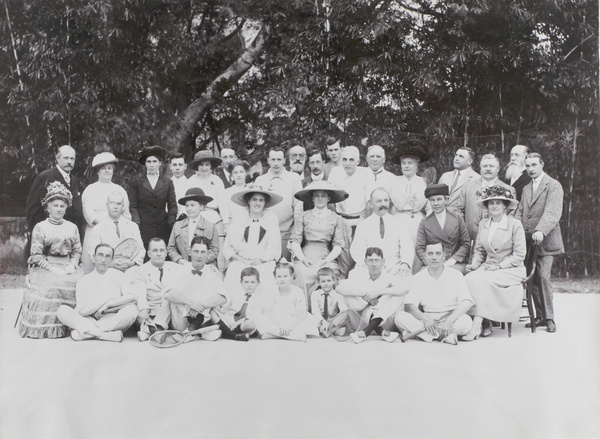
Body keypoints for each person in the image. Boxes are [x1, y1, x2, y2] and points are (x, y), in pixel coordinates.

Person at [18, 182, 83, 338]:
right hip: (45, 267)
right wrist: (52, 268)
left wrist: (72, 265)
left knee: (82, 284)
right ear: (48, 207)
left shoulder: (72, 227)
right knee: (53, 285)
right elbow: (36, 254)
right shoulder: (41, 227)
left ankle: (76, 325)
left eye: (62, 206)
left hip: (67, 264)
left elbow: (77, 250)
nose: (59, 209)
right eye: (55, 206)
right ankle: (49, 328)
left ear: (66, 208)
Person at [462, 186, 526, 340]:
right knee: (468, 279)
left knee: (483, 280)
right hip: (488, 266)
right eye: (491, 203)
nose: (495, 206)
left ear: (505, 206)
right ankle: (482, 321)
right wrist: (475, 265)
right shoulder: (484, 223)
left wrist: (499, 267)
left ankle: (477, 325)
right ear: (487, 206)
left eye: (498, 203)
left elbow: (519, 255)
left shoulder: (515, 224)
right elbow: (480, 251)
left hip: (511, 268)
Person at [515, 153, 564, 333]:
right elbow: (520, 211)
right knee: (533, 279)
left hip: (546, 240)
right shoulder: (527, 187)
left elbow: (553, 212)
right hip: (529, 240)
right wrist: (516, 230)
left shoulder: (553, 185)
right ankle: (540, 316)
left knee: (543, 277)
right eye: (527, 166)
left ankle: (550, 318)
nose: (531, 169)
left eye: (534, 165)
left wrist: (540, 231)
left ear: (542, 164)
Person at [56, 244, 140, 342]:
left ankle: (88, 333)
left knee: (132, 310)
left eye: (107, 256)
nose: (103, 260)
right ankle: (103, 334)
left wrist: (108, 304)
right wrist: (104, 301)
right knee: (62, 310)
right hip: (91, 321)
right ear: (93, 257)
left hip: (114, 322)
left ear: (112, 260)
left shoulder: (119, 275)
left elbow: (133, 297)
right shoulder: (84, 281)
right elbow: (82, 311)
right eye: (100, 255)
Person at [393, 243, 474, 345]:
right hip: (427, 320)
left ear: (444, 256)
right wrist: (425, 319)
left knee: (466, 322)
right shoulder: (418, 278)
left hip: (450, 318)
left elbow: (466, 302)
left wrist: (449, 321)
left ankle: (422, 335)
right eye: (430, 254)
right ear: (425, 257)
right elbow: (409, 305)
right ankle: (444, 337)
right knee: (399, 317)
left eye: (438, 253)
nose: (434, 257)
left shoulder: (456, 275)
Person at [289, 181, 349, 300]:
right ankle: (305, 310)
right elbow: (295, 241)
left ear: (329, 198)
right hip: (306, 257)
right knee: (303, 274)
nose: (320, 198)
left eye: (323, 195)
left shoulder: (337, 218)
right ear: (312, 198)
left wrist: (324, 261)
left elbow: (338, 245)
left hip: (326, 257)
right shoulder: (303, 216)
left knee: (331, 275)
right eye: (317, 195)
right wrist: (303, 259)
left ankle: (329, 311)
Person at [337, 247, 409, 343]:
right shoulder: (357, 275)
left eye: (377, 260)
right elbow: (339, 288)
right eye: (370, 260)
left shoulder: (388, 277)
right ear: (365, 262)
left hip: (384, 321)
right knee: (348, 293)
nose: (374, 264)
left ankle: (366, 332)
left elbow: (405, 289)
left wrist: (379, 292)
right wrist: (365, 296)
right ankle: (381, 332)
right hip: (361, 320)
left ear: (383, 261)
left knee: (397, 295)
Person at [163, 236, 226, 339]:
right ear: (189, 251)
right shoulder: (180, 270)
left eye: (203, 252)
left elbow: (223, 297)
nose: (199, 256)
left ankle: (194, 332)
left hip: (203, 316)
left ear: (208, 253)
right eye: (196, 251)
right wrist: (190, 303)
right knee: (173, 295)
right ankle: (197, 332)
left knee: (213, 300)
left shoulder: (212, 272)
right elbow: (167, 294)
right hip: (182, 320)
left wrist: (201, 306)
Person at [223, 184, 282, 293]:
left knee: (266, 279)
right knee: (235, 274)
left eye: (261, 200)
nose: (257, 203)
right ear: (248, 201)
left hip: (263, 262)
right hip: (240, 261)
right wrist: (244, 261)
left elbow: (275, 250)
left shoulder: (271, 221)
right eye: (254, 199)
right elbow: (227, 249)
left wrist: (261, 260)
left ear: (265, 203)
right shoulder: (238, 221)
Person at [81, 152, 132, 273]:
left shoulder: (119, 189)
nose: (107, 171)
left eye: (109, 168)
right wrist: (105, 226)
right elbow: (88, 212)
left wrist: (122, 227)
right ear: (97, 171)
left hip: (117, 231)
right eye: (103, 168)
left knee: (115, 266)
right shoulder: (90, 189)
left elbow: (126, 212)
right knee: (95, 264)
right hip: (96, 230)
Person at [128, 238, 182, 340]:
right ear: (149, 253)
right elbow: (140, 294)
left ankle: (151, 330)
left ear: (166, 253)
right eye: (155, 250)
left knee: (170, 294)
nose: (158, 254)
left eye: (161, 250)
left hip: (171, 315)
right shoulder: (140, 271)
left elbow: (191, 269)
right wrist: (143, 310)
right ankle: (154, 328)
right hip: (150, 314)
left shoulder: (175, 267)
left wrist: (209, 267)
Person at [351, 188, 414, 276]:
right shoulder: (363, 225)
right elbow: (357, 250)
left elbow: (407, 245)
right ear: (371, 204)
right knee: (354, 277)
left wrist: (405, 263)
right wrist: (370, 266)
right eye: (379, 201)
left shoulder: (398, 223)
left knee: (405, 281)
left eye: (386, 200)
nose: (383, 204)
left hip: (394, 267)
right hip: (369, 267)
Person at [25, 144, 84, 239]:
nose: (69, 162)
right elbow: (33, 209)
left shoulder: (75, 181)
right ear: (57, 158)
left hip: (70, 235)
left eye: (72, 159)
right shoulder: (45, 177)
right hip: (49, 235)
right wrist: (36, 234)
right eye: (66, 158)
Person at [255, 147, 303, 260]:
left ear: (284, 160)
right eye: (273, 159)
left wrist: (295, 234)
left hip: (287, 233)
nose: (276, 163)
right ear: (268, 160)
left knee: (285, 266)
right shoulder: (260, 180)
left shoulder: (294, 178)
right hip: (266, 233)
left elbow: (298, 207)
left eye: (279, 159)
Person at [457, 154, 516, 243]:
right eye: (485, 166)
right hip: (471, 240)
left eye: (491, 166)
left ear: (498, 169)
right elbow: (458, 210)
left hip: (498, 242)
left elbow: (512, 214)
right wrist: (464, 231)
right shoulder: (467, 187)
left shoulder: (508, 190)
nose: (488, 169)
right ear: (480, 168)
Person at [128, 146, 177, 249]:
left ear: (160, 163)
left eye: (154, 161)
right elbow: (133, 206)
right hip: (143, 228)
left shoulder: (167, 183)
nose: (151, 165)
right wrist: (137, 222)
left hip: (163, 228)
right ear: (145, 164)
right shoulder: (136, 183)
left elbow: (172, 205)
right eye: (148, 162)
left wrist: (170, 223)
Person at [415, 184, 470, 274]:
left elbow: (465, 244)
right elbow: (420, 247)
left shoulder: (457, 219)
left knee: (450, 274)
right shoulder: (424, 223)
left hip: (455, 263)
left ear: (446, 200)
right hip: (432, 263)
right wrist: (429, 262)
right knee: (423, 276)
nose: (436, 203)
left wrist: (453, 260)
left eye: (439, 199)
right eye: (432, 200)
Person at [258, 260, 319, 341]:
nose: (282, 279)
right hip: (276, 320)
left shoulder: (298, 291)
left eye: (285, 276)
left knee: (309, 320)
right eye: (279, 276)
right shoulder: (272, 291)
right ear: (275, 277)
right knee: (259, 318)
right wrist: (281, 326)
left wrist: (289, 327)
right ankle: (293, 336)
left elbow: (302, 314)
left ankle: (274, 334)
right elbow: (267, 313)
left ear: (291, 276)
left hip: (293, 319)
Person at [85, 191, 145, 272]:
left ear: (123, 206)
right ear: (107, 205)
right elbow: (93, 255)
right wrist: (112, 264)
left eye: (119, 204)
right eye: (112, 203)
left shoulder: (132, 226)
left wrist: (131, 263)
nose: (115, 207)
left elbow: (140, 249)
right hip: (107, 271)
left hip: (130, 270)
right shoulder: (98, 228)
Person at [390, 142, 431, 244]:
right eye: (403, 163)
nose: (406, 166)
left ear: (416, 165)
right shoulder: (394, 181)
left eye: (410, 163)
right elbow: (389, 205)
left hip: (417, 221)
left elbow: (429, 207)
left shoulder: (423, 182)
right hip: (398, 220)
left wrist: (428, 224)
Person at [167, 187, 219, 266]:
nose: (189, 209)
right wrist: (180, 260)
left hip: (205, 265)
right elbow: (171, 248)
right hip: (183, 265)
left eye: (192, 205)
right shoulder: (177, 225)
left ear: (201, 207)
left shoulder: (210, 226)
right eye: (187, 206)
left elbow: (214, 249)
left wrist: (200, 261)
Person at [218, 267, 272, 341]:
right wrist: (221, 312)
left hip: (244, 323)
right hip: (230, 319)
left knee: (251, 324)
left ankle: (227, 332)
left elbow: (254, 315)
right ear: (241, 283)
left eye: (252, 282)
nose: (249, 285)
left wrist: (238, 323)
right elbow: (225, 308)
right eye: (246, 282)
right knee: (215, 314)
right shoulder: (235, 294)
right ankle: (233, 333)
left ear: (258, 283)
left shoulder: (259, 298)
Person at [187, 150, 231, 237]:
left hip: (213, 217)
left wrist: (226, 223)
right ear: (197, 166)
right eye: (201, 165)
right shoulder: (191, 181)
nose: (204, 168)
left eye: (207, 165)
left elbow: (223, 203)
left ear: (211, 166)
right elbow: (186, 204)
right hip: (195, 217)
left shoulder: (216, 180)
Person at [327, 146, 370, 233]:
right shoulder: (335, 173)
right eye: (344, 159)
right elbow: (330, 200)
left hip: (359, 220)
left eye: (351, 160)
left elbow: (369, 203)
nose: (347, 163)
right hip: (339, 220)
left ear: (357, 161)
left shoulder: (366, 174)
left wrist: (366, 224)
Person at [310, 267, 357, 339]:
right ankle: (332, 331)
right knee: (310, 319)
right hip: (320, 320)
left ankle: (328, 330)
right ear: (318, 282)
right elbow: (315, 312)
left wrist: (332, 323)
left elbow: (343, 311)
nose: (326, 284)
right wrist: (323, 322)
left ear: (334, 281)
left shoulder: (338, 295)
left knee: (346, 314)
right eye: (323, 281)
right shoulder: (315, 294)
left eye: (329, 281)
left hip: (333, 321)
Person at [437, 147, 480, 213]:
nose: (456, 158)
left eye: (461, 156)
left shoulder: (476, 179)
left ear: (470, 161)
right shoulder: (445, 176)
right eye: (456, 155)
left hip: (461, 220)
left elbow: (475, 207)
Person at [224, 159, 252, 224]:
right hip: (234, 224)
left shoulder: (251, 189)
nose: (239, 175)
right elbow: (226, 212)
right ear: (232, 175)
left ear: (246, 173)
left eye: (241, 172)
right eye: (235, 172)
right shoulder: (227, 192)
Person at [168, 153, 191, 219]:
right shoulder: (165, 184)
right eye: (174, 165)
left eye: (180, 165)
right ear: (170, 167)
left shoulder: (190, 184)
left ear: (185, 166)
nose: (177, 168)